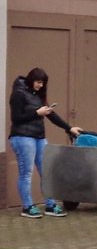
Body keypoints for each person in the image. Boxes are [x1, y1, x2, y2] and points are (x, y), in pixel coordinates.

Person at [8, 67, 82, 218]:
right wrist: (36, 113)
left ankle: (50, 204)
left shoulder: (38, 95)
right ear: (31, 80)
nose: (40, 86)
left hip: (39, 137)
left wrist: (69, 128)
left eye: (43, 83)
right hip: (22, 137)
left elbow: (51, 115)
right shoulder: (18, 94)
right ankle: (27, 207)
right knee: (26, 173)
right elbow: (16, 118)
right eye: (38, 82)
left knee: (46, 171)